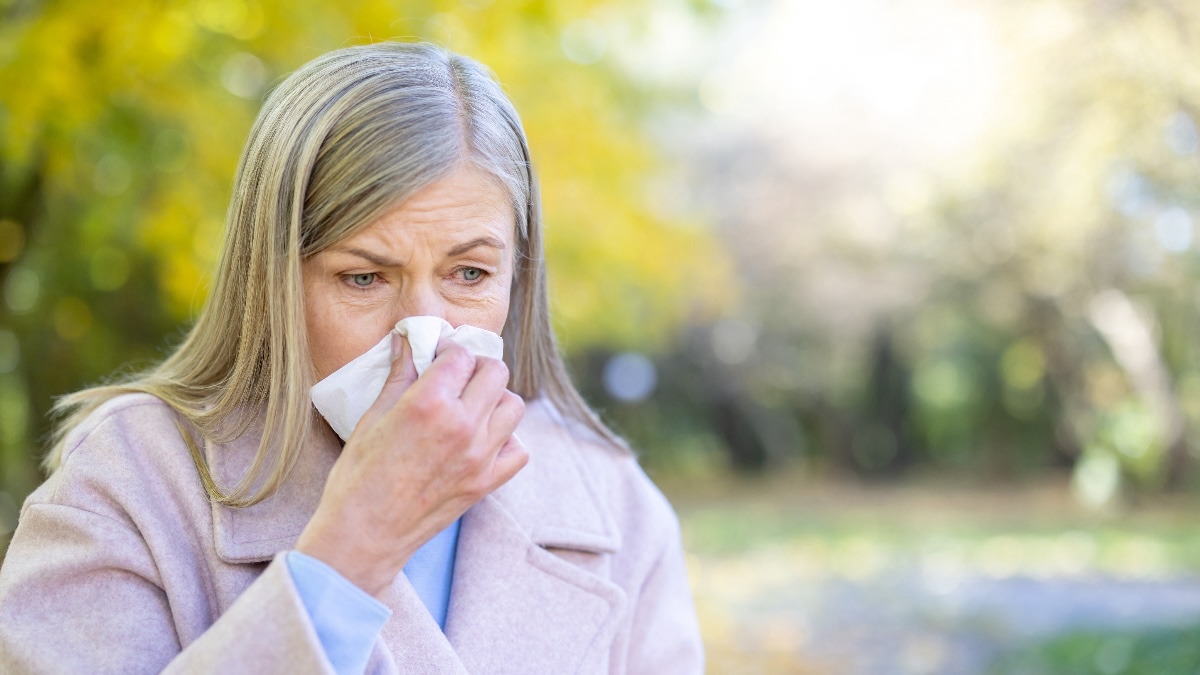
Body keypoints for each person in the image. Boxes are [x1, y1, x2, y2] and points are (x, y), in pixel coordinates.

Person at [0, 42, 704, 673]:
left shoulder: (616, 506)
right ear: (274, 280)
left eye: (469, 274)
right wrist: (350, 552)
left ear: (517, 273)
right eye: (364, 278)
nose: (424, 334)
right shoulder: (132, 483)